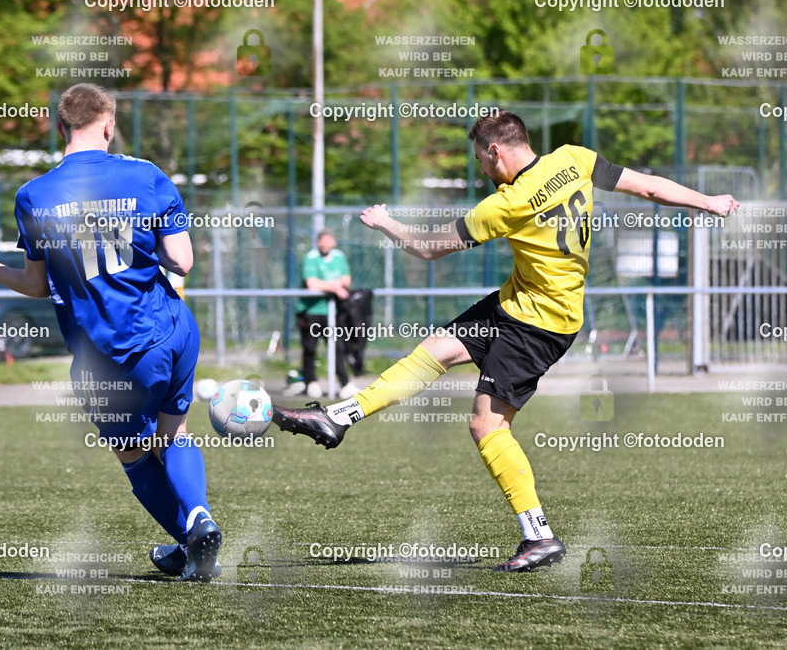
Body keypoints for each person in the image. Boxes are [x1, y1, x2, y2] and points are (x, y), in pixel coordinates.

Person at [273, 110, 740, 573]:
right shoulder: (574, 158)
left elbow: (429, 248)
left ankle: (539, 536)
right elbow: (652, 187)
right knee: (436, 349)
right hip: (516, 305)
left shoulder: (507, 203)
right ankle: (339, 416)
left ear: (495, 151)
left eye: (481, 159)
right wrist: (710, 202)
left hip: (540, 326)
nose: (481, 170)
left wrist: (385, 223)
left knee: (487, 426)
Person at [0, 83, 221, 582]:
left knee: (132, 453)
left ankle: (191, 536)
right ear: (109, 125)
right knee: (175, 432)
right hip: (172, 330)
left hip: (109, 356)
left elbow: (36, 285)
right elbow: (183, 260)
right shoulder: (148, 175)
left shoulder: (33, 196)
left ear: (61, 128)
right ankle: (197, 520)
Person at [284, 229, 358, 399]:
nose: (324, 243)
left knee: (337, 347)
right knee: (310, 348)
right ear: (318, 242)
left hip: (332, 312)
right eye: (321, 240)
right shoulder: (311, 257)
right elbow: (312, 283)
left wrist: (332, 285)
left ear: (334, 242)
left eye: (328, 240)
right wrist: (335, 287)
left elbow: (346, 279)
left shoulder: (339, 257)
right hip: (311, 313)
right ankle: (311, 382)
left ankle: (345, 383)